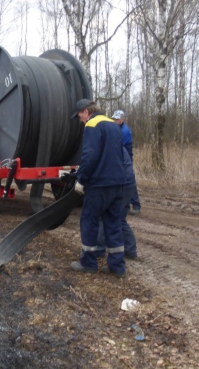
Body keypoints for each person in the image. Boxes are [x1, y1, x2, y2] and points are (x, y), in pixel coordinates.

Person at [69, 99, 127, 278]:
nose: (80, 120)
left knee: (89, 220)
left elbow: (90, 155)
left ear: (86, 111)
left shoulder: (92, 125)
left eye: (79, 115)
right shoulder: (113, 125)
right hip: (117, 183)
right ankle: (117, 267)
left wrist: (81, 179)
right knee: (113, 223)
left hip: (99, 184)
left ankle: (88, 263)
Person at [96, 147, 138, 260]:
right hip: (128, 184)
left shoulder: (108, 147)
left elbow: (104, 169)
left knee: (106, 216)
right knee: (120, 218)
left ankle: (98, 250)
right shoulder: (118, 145)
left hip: (121, 184)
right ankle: (130, 250)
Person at [111, 110, 141, 215]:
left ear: (122, 119)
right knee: (123, 182)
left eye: (117, 119)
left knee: (128, 181)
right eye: (114, 119)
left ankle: (136, 205)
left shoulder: (124, 131)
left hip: (126, 160)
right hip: (121, 158)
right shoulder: (117, 128)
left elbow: (117, 144)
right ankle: (126, 205)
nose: (115, 121)